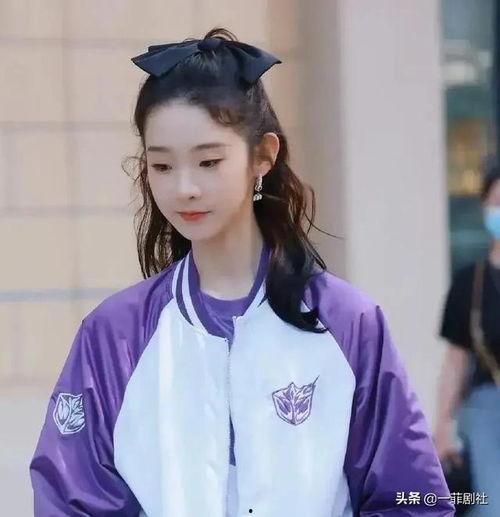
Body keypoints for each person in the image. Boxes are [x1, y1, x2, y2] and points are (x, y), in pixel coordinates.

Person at [29, 27, 454, 516]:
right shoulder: (116, 334)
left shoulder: (346, 322)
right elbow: (70, 500)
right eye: (162, 167)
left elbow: (411, 499)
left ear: (264, 156)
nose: (184, 188)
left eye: (208, 161)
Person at [435, 166, 500, 515]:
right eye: (498, 202)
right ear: (484, 207)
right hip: (487, 409)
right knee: (491, 503)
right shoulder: (469, 283)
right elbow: (455, 361)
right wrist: (442, 427)